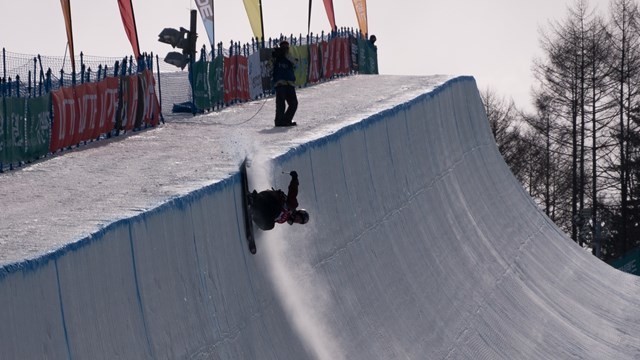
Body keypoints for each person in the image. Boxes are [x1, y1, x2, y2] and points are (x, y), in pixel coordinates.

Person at [272, 40, 299, 127]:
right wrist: (275, 56)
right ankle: (279, 121)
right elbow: (268, 67)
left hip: (290, 84)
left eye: (286, 47)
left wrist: (286, 55)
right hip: (280, 84)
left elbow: (296, 64)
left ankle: (287, 120)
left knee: (294, 103)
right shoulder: (276, 57)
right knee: (281, 104)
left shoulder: (289, 57)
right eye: (283, 47)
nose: (285, 49)